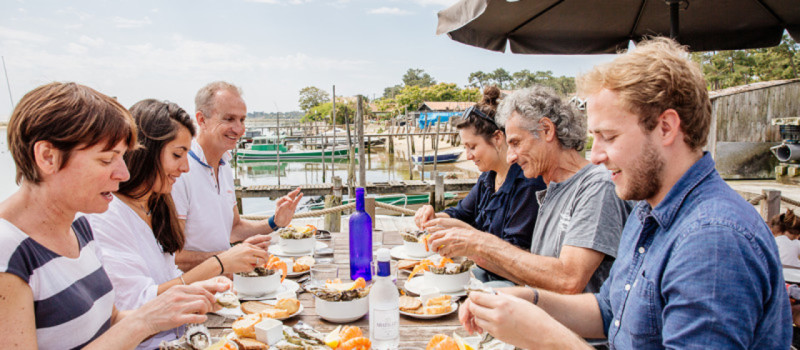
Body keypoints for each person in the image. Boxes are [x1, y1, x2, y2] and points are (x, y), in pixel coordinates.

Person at [459, 38, 791, 349]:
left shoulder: (713, 239)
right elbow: (609, 311)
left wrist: (546, 336)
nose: (597, 155)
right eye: (595, 137)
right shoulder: (647, 210)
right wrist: (529, 300)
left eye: (609, 136)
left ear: (666, 127)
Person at [0, 82, 225, 349]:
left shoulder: (79, 227)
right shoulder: (9, 253)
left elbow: (112, 320)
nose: (124, 174)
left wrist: (166, 309)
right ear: (48, 157)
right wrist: (144, 322)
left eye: (122, 158)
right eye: (107, 160)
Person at [87, 99, 273, 348]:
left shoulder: (154, 206)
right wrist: (218, 264)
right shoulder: (108, 216)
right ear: (144, 151)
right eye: (177, 155)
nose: (185, 167)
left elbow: (167, 273)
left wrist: (206, 292)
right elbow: (139, 306)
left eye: (186, 155)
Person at [429, 86, 630, 294]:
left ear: (546, 130)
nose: (510, 157)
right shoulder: (551, 189)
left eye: (516, 143)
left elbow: (568, 279)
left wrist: (480, 243)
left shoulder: (597, 187)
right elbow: (532, 275)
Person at [414, 86, 546, 286]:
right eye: (465, 148)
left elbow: (517, 258)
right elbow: (461, 213)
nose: (468, 156)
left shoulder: (527, 182)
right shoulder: (488, 178)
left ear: (497, 138)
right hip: (484, 274)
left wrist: (468, 236)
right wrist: (434, 216)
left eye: (472, 147)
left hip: (514, 285)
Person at [172, 81, 303, 271]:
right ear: (201, 120)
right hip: (195, 290)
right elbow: (175, 256)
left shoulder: (224, 162)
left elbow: (233, 228)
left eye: (242, 120)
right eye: (229, 119)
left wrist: (275, 222)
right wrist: (231, 256)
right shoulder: (180, 172)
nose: (239, 129)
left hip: (226, 279)